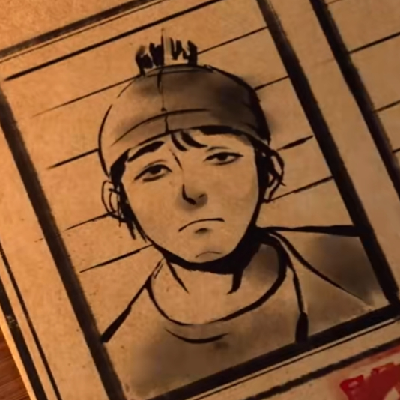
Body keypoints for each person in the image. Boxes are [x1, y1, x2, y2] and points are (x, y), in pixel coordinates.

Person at [97, 39, 375, 397]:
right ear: (118, 202)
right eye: (154, 171)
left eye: (220, 157)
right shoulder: (124, 365)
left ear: (268, 172)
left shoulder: (365, 262)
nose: (192, 194)